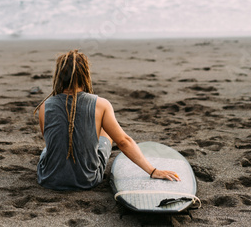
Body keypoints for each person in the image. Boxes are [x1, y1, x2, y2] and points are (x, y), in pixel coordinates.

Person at [34, 49, 180, 190]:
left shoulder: (45, 106)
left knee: (49, 149)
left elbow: (50, 142)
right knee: (107, 130)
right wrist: (153, 171)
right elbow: (123, 141)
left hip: (49, 179)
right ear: (85, 75)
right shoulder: (101, 104)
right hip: (87, 180)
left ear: (58, 76)